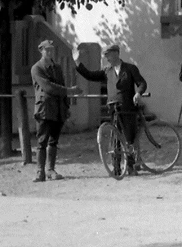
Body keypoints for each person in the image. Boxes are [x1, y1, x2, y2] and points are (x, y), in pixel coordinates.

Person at [76, 44, 148, 179]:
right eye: (105, 55)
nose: (107, 58)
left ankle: (131, 166)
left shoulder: (130, 68)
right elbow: (90, 75)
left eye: (108, 55)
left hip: (128, 108)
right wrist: (77, 62)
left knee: (129, 138)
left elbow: (142, 83)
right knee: (115, 138)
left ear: (116, 53)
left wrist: (138, 93)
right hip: (114, 109)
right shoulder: (107, 71)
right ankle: (116, 167)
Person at [28, 39, 70, 182]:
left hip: (58, 108)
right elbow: (48, 87)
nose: (50, 52)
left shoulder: (57, 68)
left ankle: (50, 170)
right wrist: (68, 90)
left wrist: (66, 106)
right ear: (41, 51)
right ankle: (40, 171)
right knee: (42, 141)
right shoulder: (37, 68)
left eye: (52, 49)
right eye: (47, 50)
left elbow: (62, 85)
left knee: (54, 141)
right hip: (44, 109)